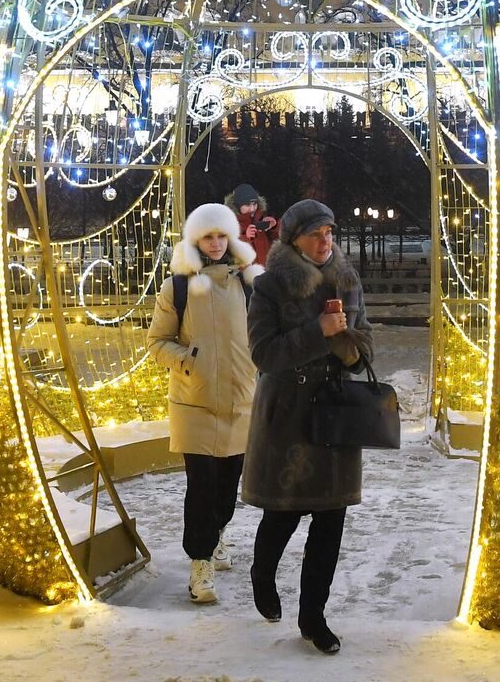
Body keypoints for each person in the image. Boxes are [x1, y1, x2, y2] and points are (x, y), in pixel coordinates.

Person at [243, 199, 372, 655]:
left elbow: (366, 344)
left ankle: (313, 616)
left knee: (330, 518)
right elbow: (264, 354)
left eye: (330, 232)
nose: (325, 242)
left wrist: (350, 348)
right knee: (284, 511)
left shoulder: (347, 278)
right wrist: (318, 332)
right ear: (293, 238)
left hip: (335, 415)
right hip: (289, 414)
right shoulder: (270, 286)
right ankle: (262, 572)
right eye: (316, 234)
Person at [147, 203, 262, 606]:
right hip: (194, 401)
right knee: (201, 486)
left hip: (241, 400)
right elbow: (157, 342)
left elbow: (264, 336)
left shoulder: (250, 282)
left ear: (230, 238)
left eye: (221, 236)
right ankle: (200, 562)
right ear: (195, 240)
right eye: (207, 237)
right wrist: (189, 362)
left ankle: (218, 535)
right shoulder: (177, 286)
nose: (215, 244)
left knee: (229, 485)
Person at [226, 184, 280, 266]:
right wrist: (246, 238)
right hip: (247, 275)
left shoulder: (262, 218)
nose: (252, 209)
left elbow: (281, 240)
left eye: (254, 204)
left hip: (268, 272)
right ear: (238, 206)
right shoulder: (230, 224)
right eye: (247, 205)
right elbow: (228, 250)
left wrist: (275, 226)